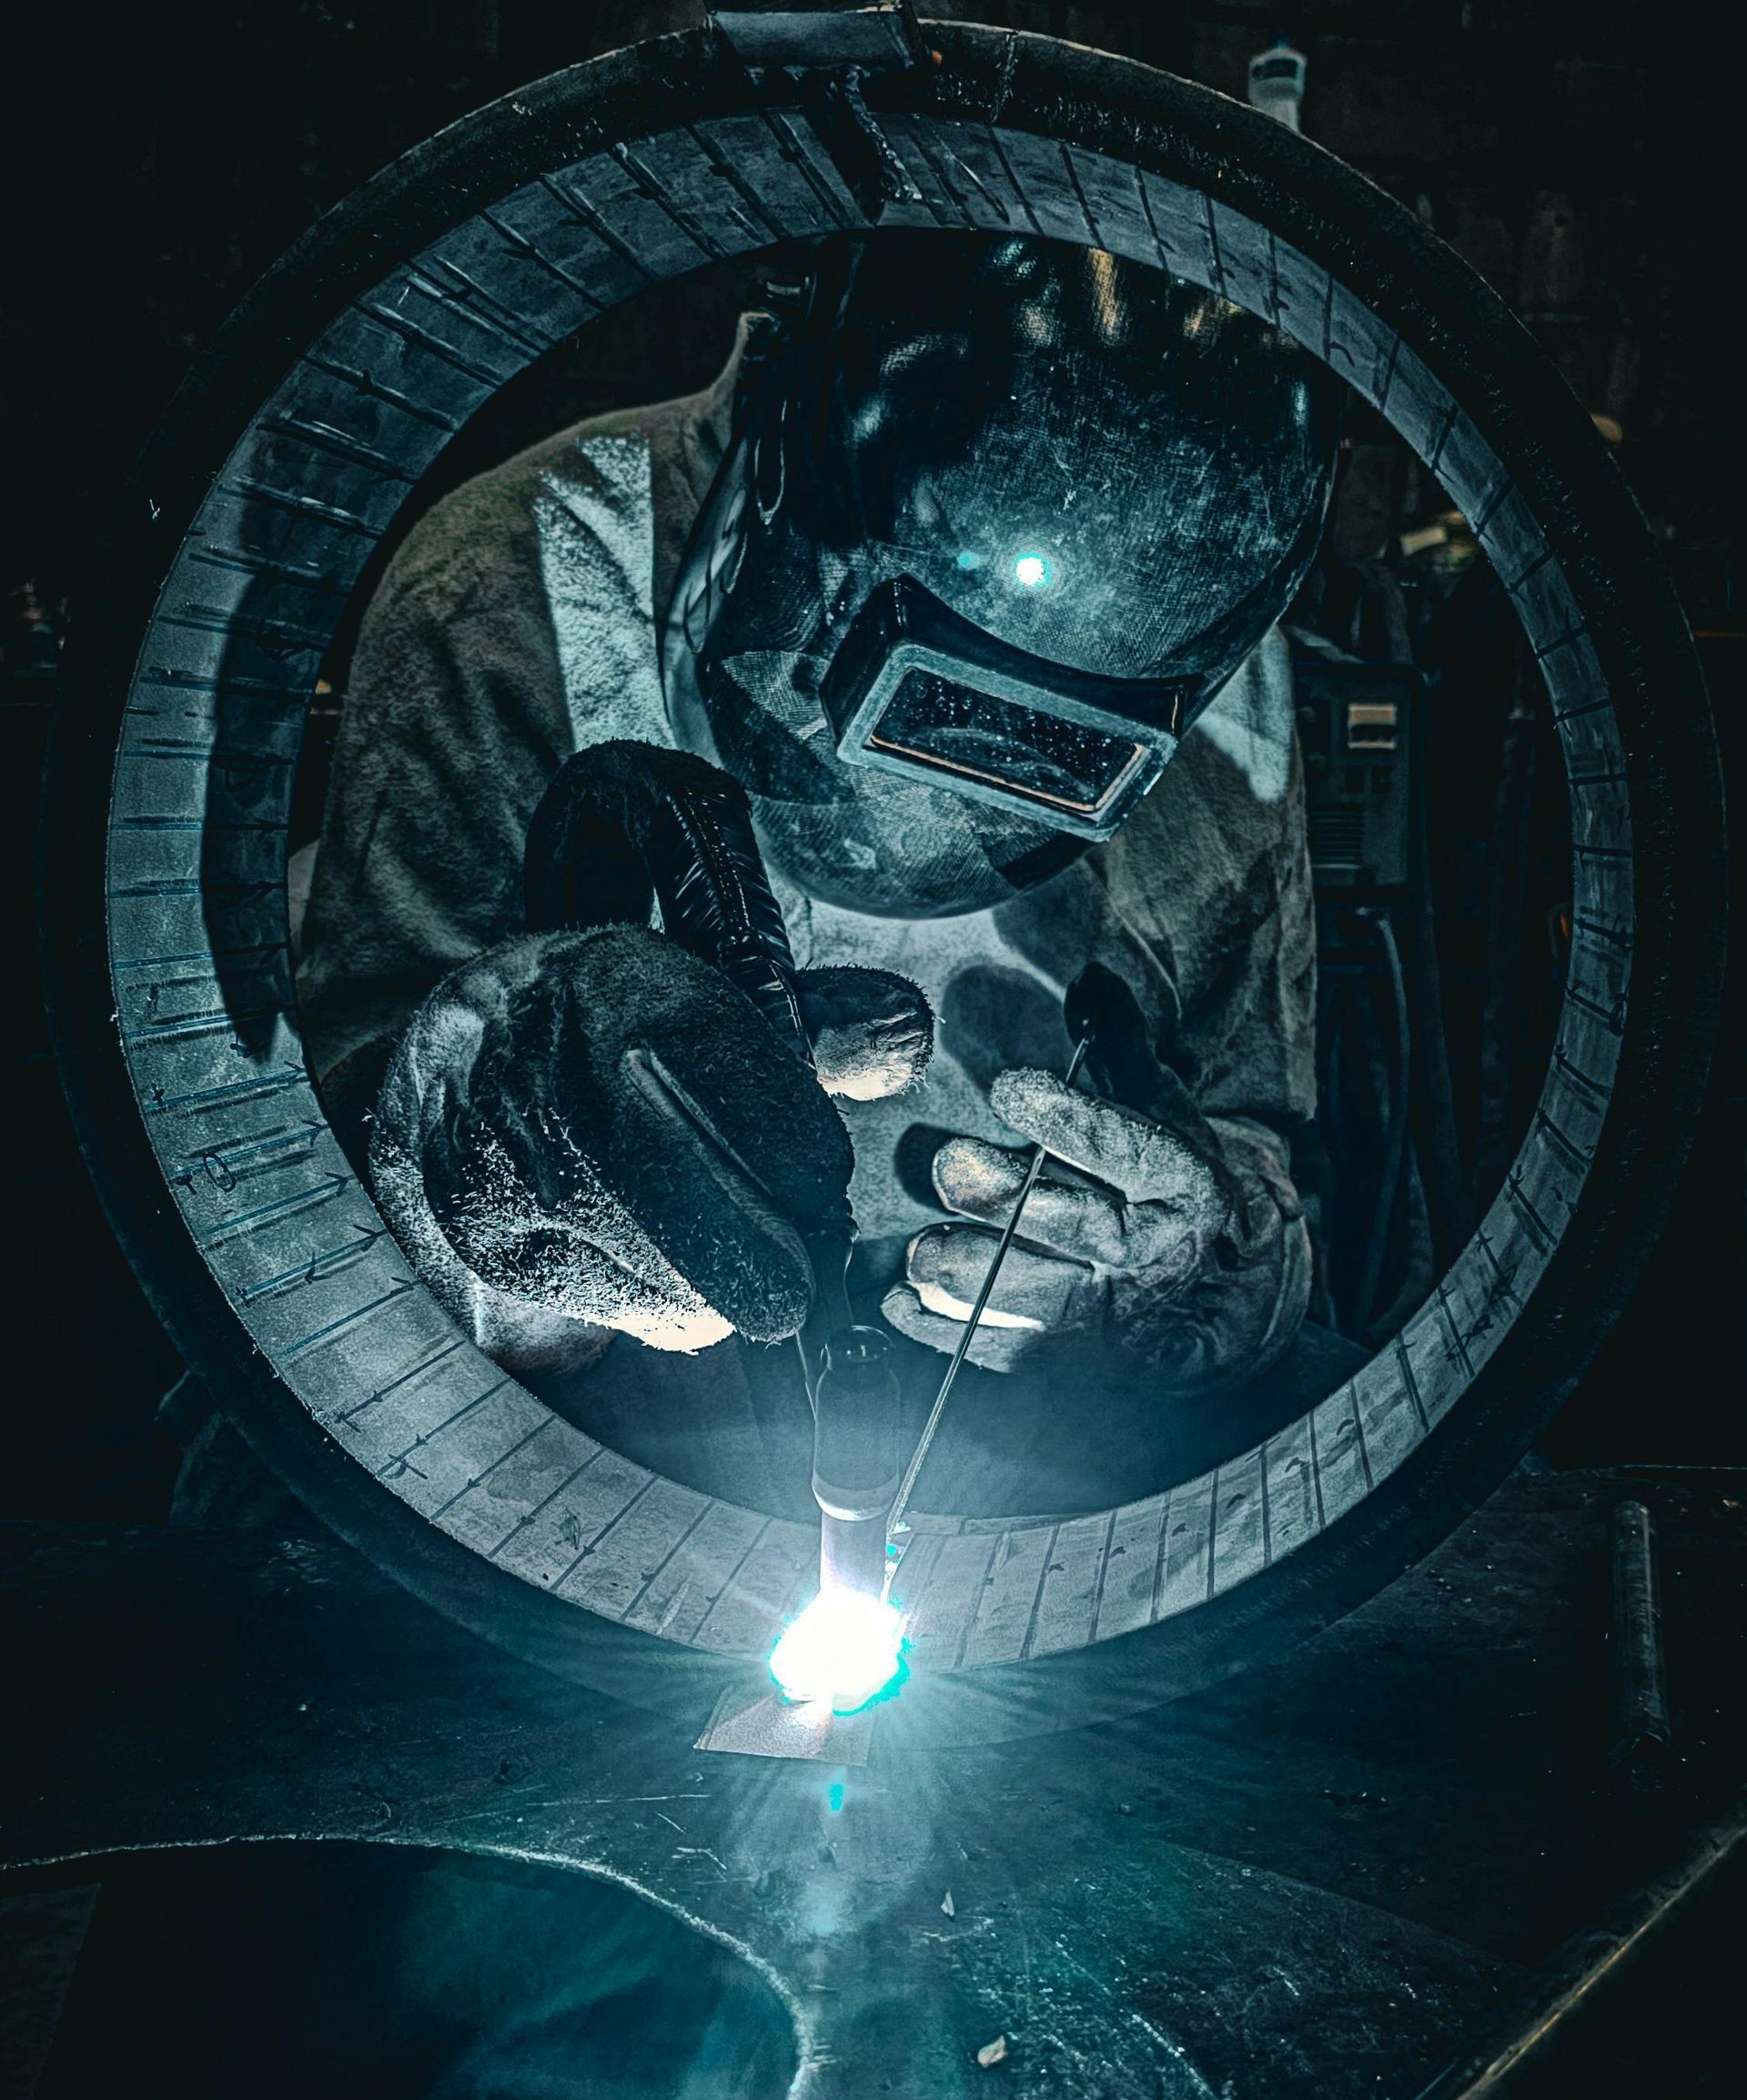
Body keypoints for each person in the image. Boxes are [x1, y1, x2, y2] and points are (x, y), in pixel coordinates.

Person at [202, 235, 1360, 1531]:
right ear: (786, 469)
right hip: (595, 1432)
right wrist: (508, 1176)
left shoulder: (1228, 693)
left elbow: (1262, 1127)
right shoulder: (519, 580)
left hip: (1026, 1424)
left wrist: (1207, 1275)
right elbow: (326, 1223)